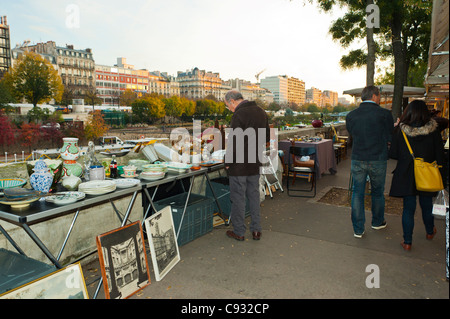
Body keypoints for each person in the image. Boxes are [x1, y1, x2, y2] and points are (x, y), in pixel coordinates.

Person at [388, 100, 445, 251]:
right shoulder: (433, 131)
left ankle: (407, 242)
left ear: (408, 112)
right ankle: (429, 231)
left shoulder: (400, 130)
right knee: (426, 205)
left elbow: (393, 154)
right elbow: (440, 155)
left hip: (406, 174)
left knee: (408, 208)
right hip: (427, 173)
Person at [346, 86, 394, 238]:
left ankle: (358, 229)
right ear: (374, 96)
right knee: (377, 192)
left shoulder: (351, 115)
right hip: (377, 158)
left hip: (358, 157)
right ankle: (377, 222)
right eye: (379, 96)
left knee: (357, 193)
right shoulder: (385, 114)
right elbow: (389, 137)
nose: (380, 99)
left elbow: (352, 133)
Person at [224, 90, 270, 241]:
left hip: (239, 165)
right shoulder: (261, 112)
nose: (229, 109)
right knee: (254, 196)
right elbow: (267, 137)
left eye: (227, 106)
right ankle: (256, 230)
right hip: (254, 161)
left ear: (232, 101)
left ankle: (239, 231)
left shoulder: (239, 114)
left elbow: (234, 142)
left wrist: (228, 162)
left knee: (238, 198)